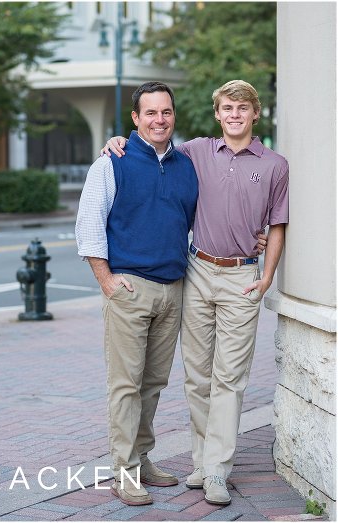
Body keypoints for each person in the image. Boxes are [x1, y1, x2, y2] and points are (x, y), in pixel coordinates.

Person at [102, 80, 289, 506]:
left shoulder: (275, 165)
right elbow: (151, 148)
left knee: (230, 379)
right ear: (217, 114)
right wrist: (115, 142)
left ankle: (219, 471)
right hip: (197, 271)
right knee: (197, 378)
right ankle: (202, 463)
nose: (235, 115)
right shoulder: (195, 152)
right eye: (227, 108)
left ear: (255, 114)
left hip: (242, 276)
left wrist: (267, 275)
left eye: (243, 108)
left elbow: (277, 225)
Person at [75, 82, 199, 506]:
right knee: (126, 385)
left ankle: (143, 459)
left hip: (173, 288)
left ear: (173, 116)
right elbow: (89, 226)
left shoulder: (185, 165)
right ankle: (123, 472)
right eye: (150, 113)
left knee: (153, 383)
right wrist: (107, 282)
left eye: (166, 112)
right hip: (129, 288)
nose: (159, 120)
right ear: (135, 118)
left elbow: (203, 220)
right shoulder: (113, 163)